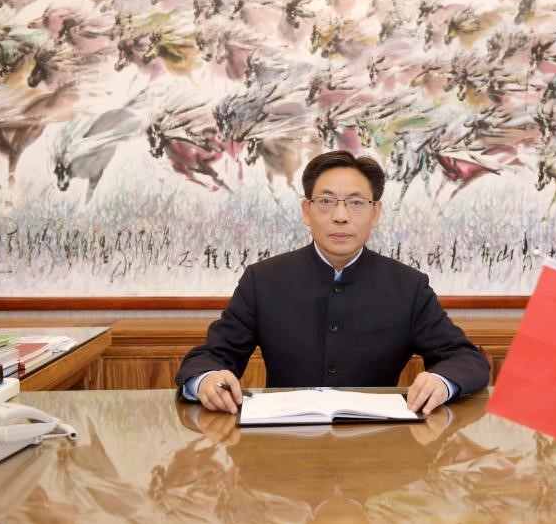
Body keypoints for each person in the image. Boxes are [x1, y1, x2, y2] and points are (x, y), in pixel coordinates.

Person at [175, 150, 490, 415]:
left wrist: (442, 381)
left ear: (375, 213)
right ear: (307, 211)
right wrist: (205, 380)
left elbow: (465, 358)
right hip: (282, 446)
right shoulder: (263, 280)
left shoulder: (408, 287)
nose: (340, 216)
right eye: (326, 201)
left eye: (356, 202)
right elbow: (211, 356)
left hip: (378, 447)